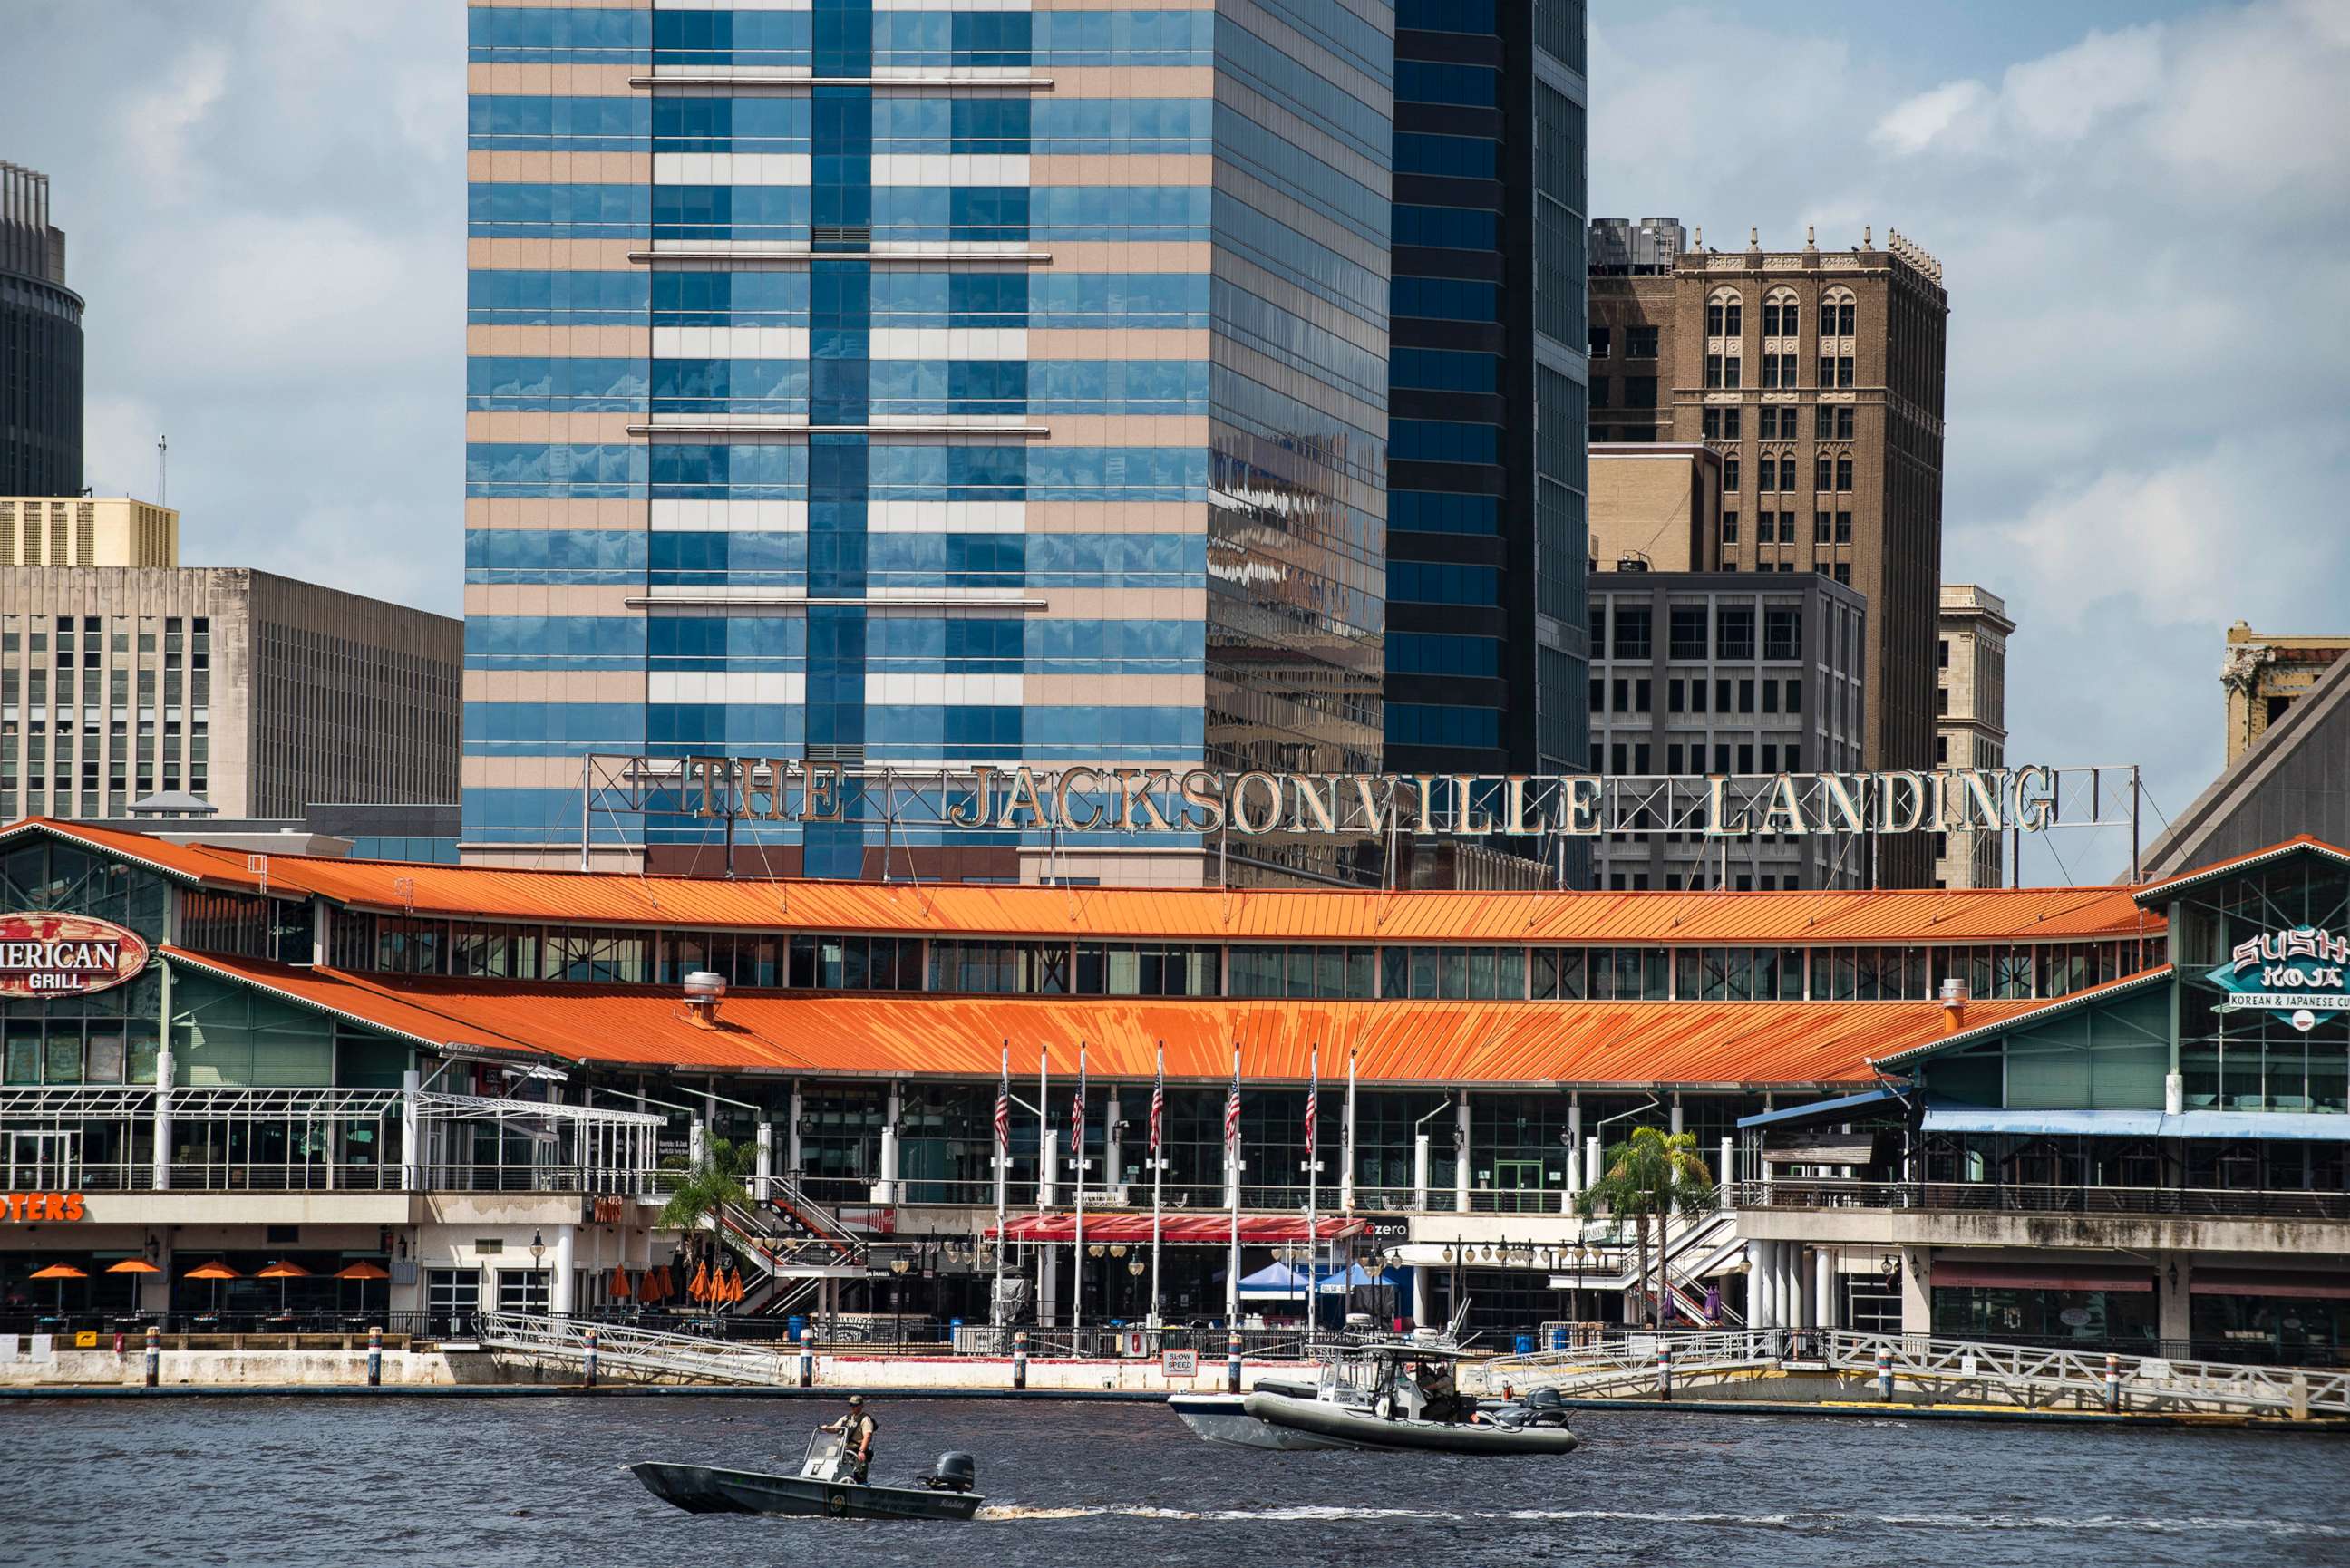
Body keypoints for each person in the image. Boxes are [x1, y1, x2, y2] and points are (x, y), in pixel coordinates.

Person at [822, 1393, 878, 1483]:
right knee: (841, 1473)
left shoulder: (865, 1419)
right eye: (851, 1405)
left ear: (861, 1406)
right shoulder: (846, 1418)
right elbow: (836, 1428)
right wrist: (826, 1428)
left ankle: (860, 1489)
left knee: (859, 1476)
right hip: (846, 1453)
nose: (853, 1407)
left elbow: (867, 1436)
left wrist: (862, 1451)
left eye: (855, 1405)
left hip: (857, 1452)